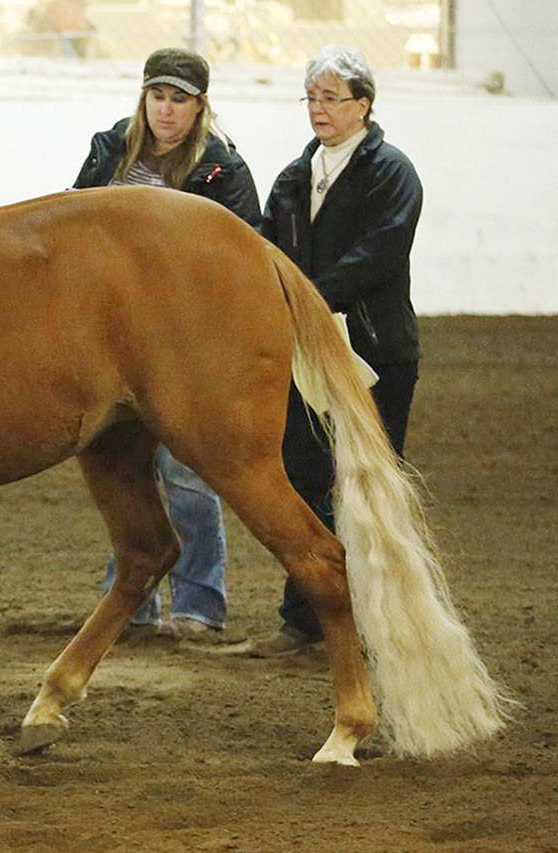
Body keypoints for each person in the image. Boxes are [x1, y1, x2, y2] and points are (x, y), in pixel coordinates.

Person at [74, 47, 261, 639]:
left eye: (179, 99)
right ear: (144, 97)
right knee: (124, 471)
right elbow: (71, 224)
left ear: (199, 105)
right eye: (158, 96)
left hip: (185, 346)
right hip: (113, 343)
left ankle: (199, 604)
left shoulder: (223, 170)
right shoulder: (109, 149)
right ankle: (130, 600)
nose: (166, 110)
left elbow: (245, 254)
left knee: (187, 472)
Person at [250, 45, 423, 656]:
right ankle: (305, 619)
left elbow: (380, 253)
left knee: (370, 484)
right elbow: (265, 249)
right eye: (313, 98)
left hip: (375, 351)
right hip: (307, 354)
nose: (319, 109)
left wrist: (308, 298)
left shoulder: (391, 171)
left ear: (364, 105)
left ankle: (378, 624)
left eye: (332, 98)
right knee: (303, 478)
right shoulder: (296, 177)